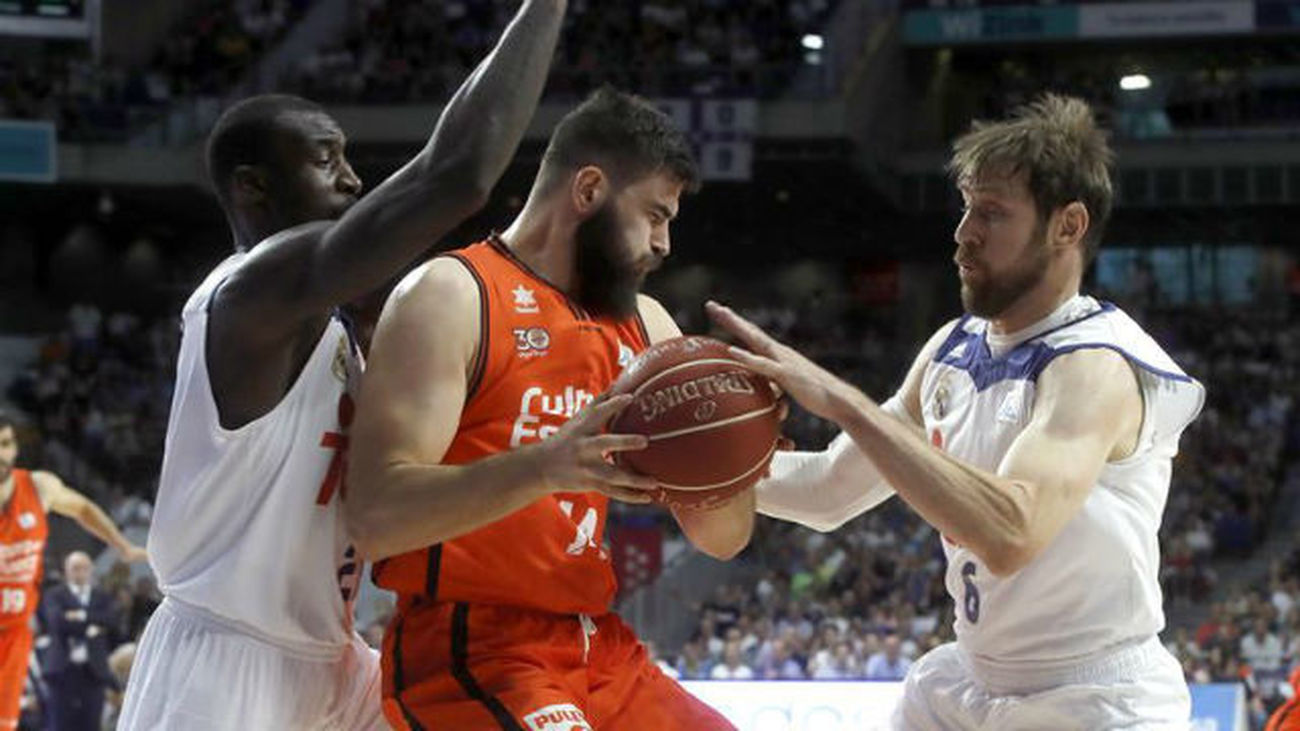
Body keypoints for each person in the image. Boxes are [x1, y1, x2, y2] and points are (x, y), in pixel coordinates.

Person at [117, 1, 569, 728]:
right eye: (327, 159)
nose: (354, 179)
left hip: (331, 655)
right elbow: (454, 176)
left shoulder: (331, 328)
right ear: (252, 187)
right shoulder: (247, 294)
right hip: (229, 662)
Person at [709, 94, 1205, 729]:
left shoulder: (1096, 365)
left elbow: (1011, 531)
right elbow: (832, 491)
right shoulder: (951, 347)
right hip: (966, 683)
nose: (963, 232)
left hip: (1095, 701)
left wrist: (849, 406)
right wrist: (676, 468)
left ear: (1069, 225)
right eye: (967, 206)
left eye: (992, 213)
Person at [346, 87, 749, 730]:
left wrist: (738, 446)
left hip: (597, 645)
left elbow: (721, 540)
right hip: (470, 648)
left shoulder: (646, 325)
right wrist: (542, 467)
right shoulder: (451, 294)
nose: (665, 243)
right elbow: (373, 519)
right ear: (589, 190)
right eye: (652, 215)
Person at [0, 415, 145, 731]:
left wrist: (122, 545)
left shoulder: (38, 487)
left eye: (6, 444)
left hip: (14, 634)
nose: (0, 453)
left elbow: (81, 508)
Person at [39, 552, 120, 731]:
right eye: (75, 568)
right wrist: (93, 625)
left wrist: (79, 615)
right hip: (62, 669)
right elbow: (57, 623)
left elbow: (112, 621)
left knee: (90, 724)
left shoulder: (102, 596)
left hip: (93, 670)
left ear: (91, 570)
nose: (80, 573)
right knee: (58, 724)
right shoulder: (54, 594)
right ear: (66, 571)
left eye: (84, 568)